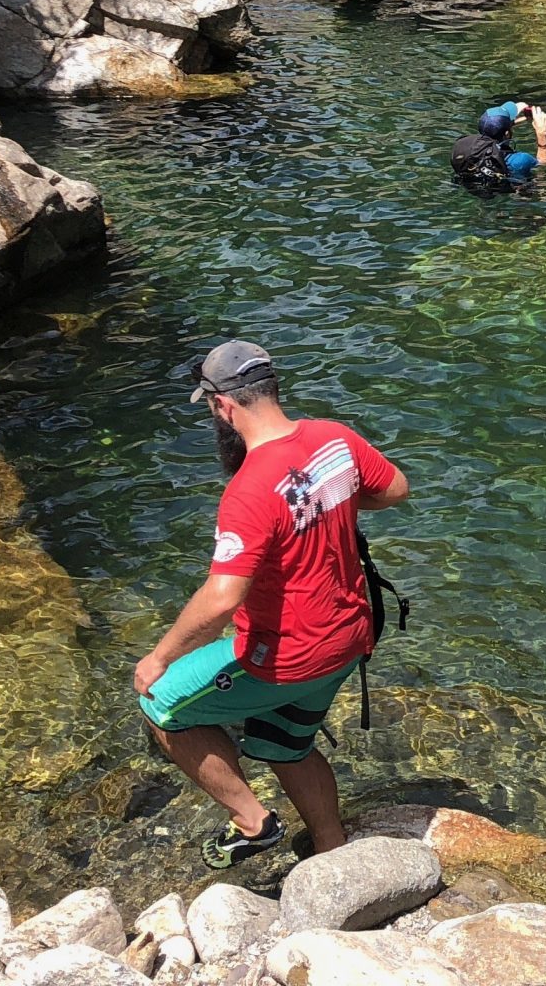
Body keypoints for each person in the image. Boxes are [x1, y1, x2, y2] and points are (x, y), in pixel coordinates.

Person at [134, 340, 410, 870]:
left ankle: (252, 822)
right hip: (350, 639)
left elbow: (221, 599)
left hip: (287, 656)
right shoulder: (335, 439)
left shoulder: (248, 490)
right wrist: (334, 502)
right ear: (271, 389)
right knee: (286, 747)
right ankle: (334, 858)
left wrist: (159, 658)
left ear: (222, 406)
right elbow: (396, 489)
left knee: (161, 706)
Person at [450, 99, 546, 189]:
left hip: (475, 184)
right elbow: (543, 163)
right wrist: (541, 133)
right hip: (509, 188)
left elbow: (494, 130)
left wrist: (515, 122)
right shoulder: (520, 160)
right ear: (507, 133)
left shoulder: (471, 147)